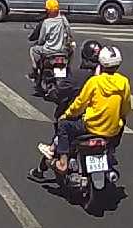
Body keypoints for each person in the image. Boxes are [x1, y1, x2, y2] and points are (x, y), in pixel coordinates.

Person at [47, 46, 130, 175]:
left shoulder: (94, 82)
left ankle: (63, 163)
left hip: (90, 126)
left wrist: (67, 115)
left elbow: (79, 104)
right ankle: (111, 150)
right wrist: (119, 118)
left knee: (63, 125)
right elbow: (125, 108)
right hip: (112, 130)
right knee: (122, 122)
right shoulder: (124, 82)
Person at [30, 39, 103, 182]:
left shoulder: (77, 76)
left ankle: (51, 165)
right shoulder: (109, 78)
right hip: (103, 121)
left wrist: (51, 94)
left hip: (80, 119)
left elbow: (59, 93)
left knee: (62, 128)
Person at [28, 0, 73, 78]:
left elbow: (41, 40)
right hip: (62, 50)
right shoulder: (63, 20)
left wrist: (40, 42)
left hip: (48, 50)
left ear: (48, 10)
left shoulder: (46, 22)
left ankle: (35, 70)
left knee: (32, 49)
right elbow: (69, 33)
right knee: (72, 50)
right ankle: (68, 68)